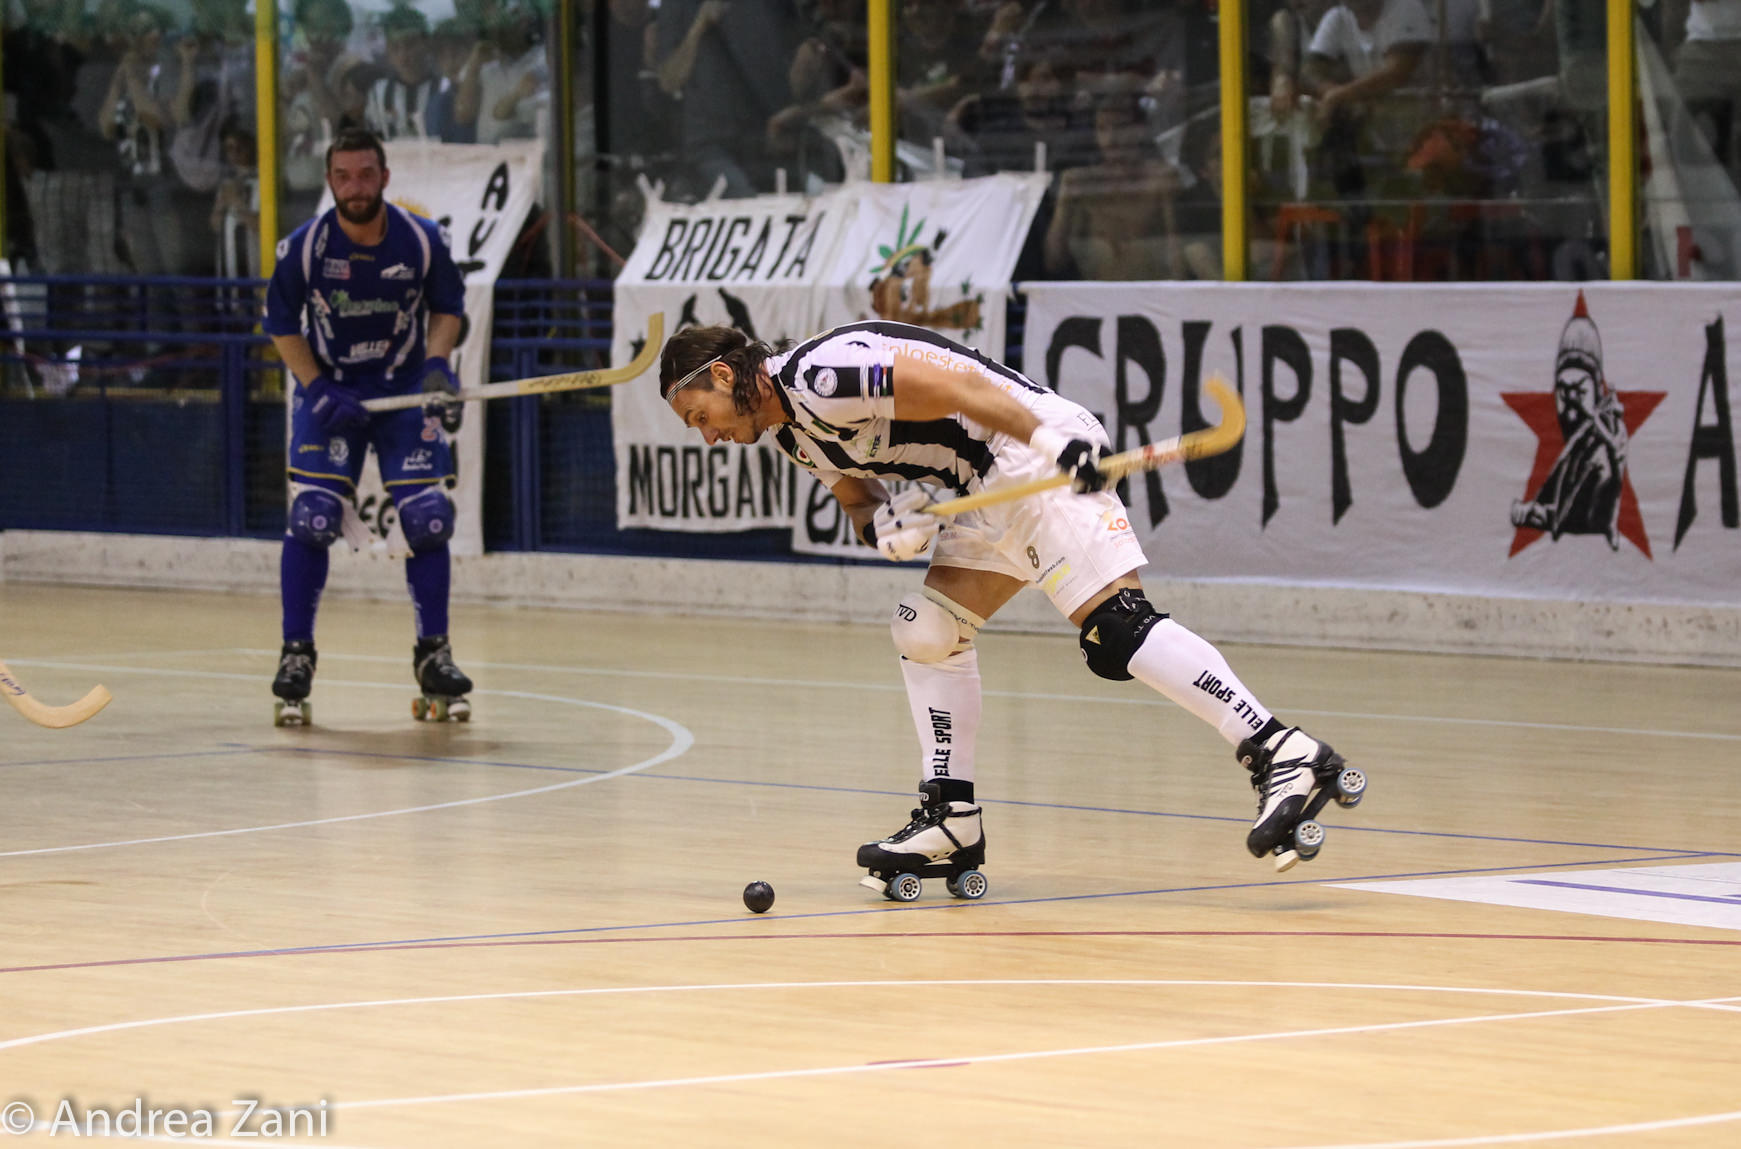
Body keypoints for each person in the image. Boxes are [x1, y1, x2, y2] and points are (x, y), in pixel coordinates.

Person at [657, 321, 1366, 883]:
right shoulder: (790, 433)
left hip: (1027, 450)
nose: (708, 434)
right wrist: (882, 527)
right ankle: (951, 817)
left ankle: (1282, 751)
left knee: (1115, 630)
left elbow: (957, 384)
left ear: (724, 375)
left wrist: (1049, 442)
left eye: (700, 414)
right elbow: (853, 494)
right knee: (927, 628)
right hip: (986, 484)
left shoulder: (821, 374)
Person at [260, 126, 474, 725]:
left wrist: (436, 366)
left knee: (429, 517)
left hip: (404, 392)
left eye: (365, 174)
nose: (355, 187)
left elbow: (448, 308)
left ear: (385, 177)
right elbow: (281, 325)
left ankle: (434, 655)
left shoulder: (422, 241)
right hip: (332, 395)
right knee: (314, 516)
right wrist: (316, 386)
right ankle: (295, 654)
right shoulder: (305, 248)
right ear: (330, 182)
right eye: (343, 176)